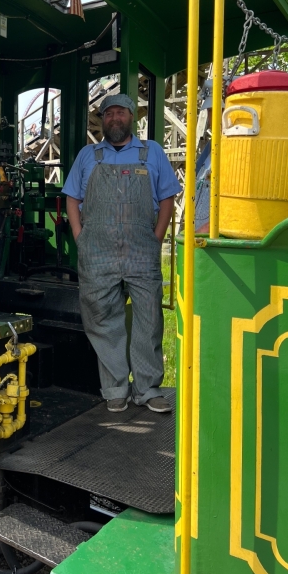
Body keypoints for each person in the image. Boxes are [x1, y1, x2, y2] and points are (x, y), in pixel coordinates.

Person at [63, 93, 181, 413]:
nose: (115, 118)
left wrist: (156, 238)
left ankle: (148, 388)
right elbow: (72, 198)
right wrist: (80, 236)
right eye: (109, 113)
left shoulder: (151, 152)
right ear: (103, 120)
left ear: (132, 117)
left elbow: (167, 197)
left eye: (121, 112)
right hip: (97, 249)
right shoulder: (89, 155)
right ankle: (115, 387)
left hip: (142, 248)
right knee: (102, 316)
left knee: (149, 318)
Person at [195, 81, 224, 234]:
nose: (211, 118)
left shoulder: (239, 150)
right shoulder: (211, 147)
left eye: (218, 110)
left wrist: (210, 228)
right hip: (199, 240)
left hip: (213, 242)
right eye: (210, 111)